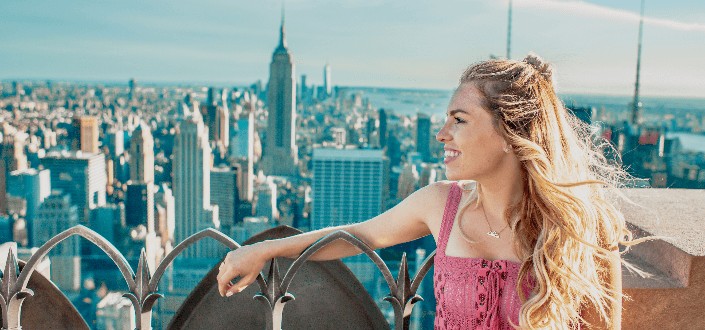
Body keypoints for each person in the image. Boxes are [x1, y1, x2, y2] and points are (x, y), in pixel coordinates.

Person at [217, 53, 634, 329]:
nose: (441, 134)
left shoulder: (579, 229)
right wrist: (266, 250)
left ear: (510, 133)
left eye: (459, 120)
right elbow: (359, 236)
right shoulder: (440, 203)